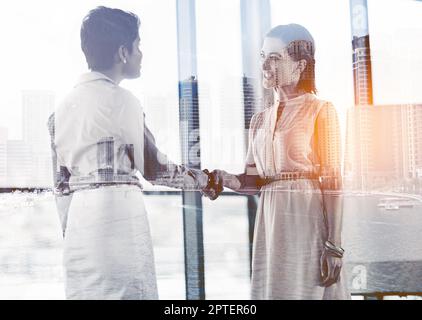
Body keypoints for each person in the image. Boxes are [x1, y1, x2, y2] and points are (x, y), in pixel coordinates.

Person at [48, 6, 213, 300]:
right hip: (119, 220)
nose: (141, 54)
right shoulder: (123, 101)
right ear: (122, 52)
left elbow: (61, 188)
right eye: (138, 46)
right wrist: (205, 181)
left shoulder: (60, 111)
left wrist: (74, 232)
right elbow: (155, 169)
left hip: (79, 229)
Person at [203, 24, 350, 299]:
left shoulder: (321, 111)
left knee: (307, 289)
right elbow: (253, 180)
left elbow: (333, 181)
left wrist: (334, 245)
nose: (265, 66)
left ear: (300, 65)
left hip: (305, 217)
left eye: (275, 57)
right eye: (262, 56)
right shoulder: (259, 120)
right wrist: (223, 178)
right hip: (270, 221)